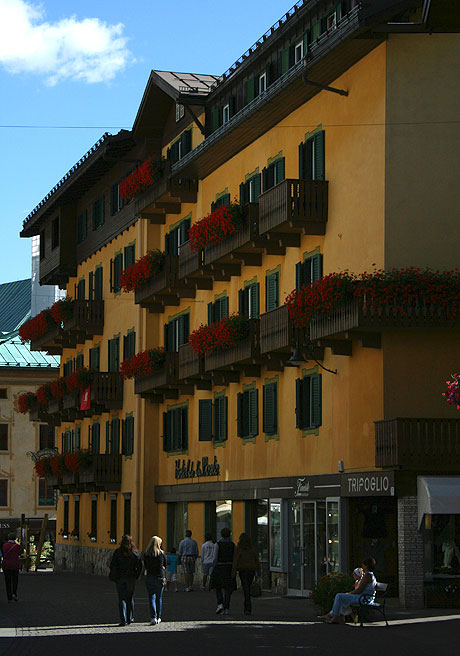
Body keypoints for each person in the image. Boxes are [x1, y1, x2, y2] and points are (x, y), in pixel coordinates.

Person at [319, 557, 377, 624]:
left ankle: (334, 617)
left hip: (364, 598)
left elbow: (359, 590)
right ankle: (337, 616)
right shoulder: (370, 575)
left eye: (363, 565)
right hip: (364, 597)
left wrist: (349, 593)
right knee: (343, 599)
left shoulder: (367, 576)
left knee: (339, 596)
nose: (362, 567)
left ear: (366, 566)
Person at [109, 534, 142, 626]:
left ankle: (123, 619)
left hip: (120, 578)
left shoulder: (118, 552)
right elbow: (139, 566)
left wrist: (115, 575)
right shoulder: (134, 553)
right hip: (131, 578)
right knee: (130, 598)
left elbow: (112, 565)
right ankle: (129, 618)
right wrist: (136, 575)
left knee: (121, 598)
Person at [232, 532, 261, 615]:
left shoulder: (239, 548)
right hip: (251, 570)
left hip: (242, 570)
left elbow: (236, 560)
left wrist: (233, 572)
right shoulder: (252, 548)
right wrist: (259, 572)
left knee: (245, 588)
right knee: (248, 586)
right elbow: (256, 560)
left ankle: (247, 606)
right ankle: (248, 606)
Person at [210, 527, 236, 615]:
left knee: (218, 587)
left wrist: (213, 567)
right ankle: (227, 607)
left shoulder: (218, 544)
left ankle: (220, 603)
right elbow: (234, 557)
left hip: (220, 566)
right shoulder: (232, 544)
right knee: (228, 589)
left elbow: (215, 558)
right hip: (229, 567)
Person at [142, 536, 167, 625]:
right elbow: (165, 564)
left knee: (151, 598)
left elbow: (146, 565)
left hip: (150, 577)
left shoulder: (146, 554)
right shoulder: (162, 554)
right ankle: (158, 617)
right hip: (160, 577)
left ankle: (153, 617)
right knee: (159, 598)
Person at [2, 532, 21, 602]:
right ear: (15, 538)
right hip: (15, 564)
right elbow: (19, 553)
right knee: (15, 580)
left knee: (8, 581)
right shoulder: (17, 546)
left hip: (6, 565)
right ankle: (14, 593)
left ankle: (9, 596)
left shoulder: (5, 545)